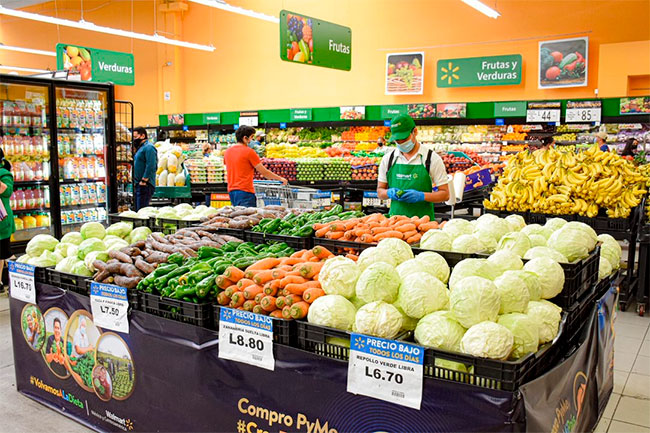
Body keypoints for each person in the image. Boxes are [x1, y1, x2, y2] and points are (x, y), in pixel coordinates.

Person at [377, 114, 449, 218]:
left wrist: (422, 196)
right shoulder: (388, 159)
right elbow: (380, 192)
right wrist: (389, 193)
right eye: (397, 140)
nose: (401, 143)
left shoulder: (431, 158)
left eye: (404, 139)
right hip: (394, 222)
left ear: (415, 132)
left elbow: (445, 194)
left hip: (423, 222)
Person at [223, 125, 288, 207]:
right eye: (252, 137)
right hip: (245, 191)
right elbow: (264, 172)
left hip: (231, 190)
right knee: (248, 214)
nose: (252, 140)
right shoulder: (249, 152)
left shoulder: (227, 152)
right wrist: (280, 179)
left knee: (238, 214)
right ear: (245, 138)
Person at [0, 148, 15, 295]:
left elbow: (7, 191)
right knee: (2, 252)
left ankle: (16, 280)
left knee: (6, 252)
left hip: (2, 220)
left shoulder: (4, 173)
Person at [132, 127, 158, 210]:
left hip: (145, 185)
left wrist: (144, 180)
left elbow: (151, 165)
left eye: (135, 137)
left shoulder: (149, 147)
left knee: (142, 211)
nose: (134, 139)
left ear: (143, 136)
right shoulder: (141, 148)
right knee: (138, 210)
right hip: (138, 184)